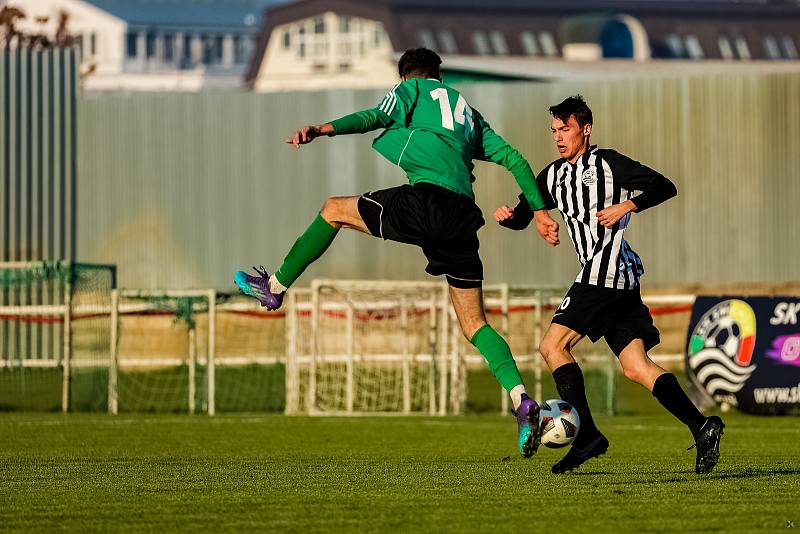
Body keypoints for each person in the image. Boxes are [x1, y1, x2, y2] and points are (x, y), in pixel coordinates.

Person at [235, 48, 559, 457]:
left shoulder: (412, 90)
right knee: (475, 323)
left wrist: (322, 129)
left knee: (334, 210)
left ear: (408, 76)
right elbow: (514, 158)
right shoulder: (467, 114)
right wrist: (541, 213)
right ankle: (521, 400)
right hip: (462, 218)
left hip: (425, 203)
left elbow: (375, 115)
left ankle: (275, 287)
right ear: (441, 74)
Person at [495, 95, 724, 474]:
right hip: (619, 277)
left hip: (606, 269)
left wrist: (626, 205)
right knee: (636, 366)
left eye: (565, 129)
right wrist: (511, 217)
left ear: (585, 129)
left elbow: (664, 186)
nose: (558, 137)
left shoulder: (608, 163)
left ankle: (587, 437)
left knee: (553, 346)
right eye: (554, 130)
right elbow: (526, 212)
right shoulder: (552, 175)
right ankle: (703, 427)